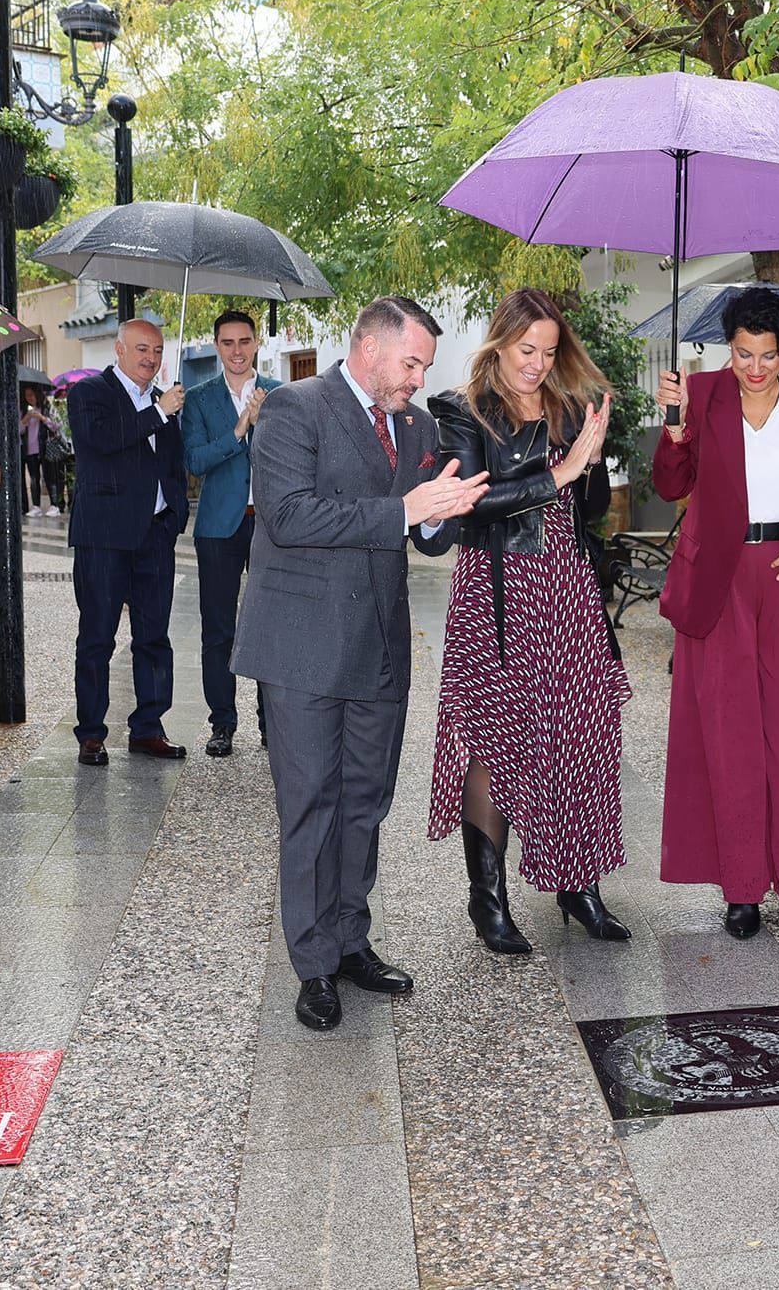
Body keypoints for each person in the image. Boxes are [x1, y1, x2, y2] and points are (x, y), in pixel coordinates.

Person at [234, 296, 488, 1031]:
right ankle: (312, 965)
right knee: (311, 806)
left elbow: (425, 534)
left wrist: (441, 510)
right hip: (302, 647)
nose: (416, 378)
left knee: (365, 803)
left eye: (424, 367)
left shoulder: (414, 424)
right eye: (410, 362)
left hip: (378, 646)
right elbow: (288, 514)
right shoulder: (294, 407)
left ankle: (350, 941)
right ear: (369, 349)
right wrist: (407, 510)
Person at [652, 287, 779, 940]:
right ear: (728, 346)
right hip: (721, 579)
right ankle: (741, 890)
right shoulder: (702, 392)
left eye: (768, 356)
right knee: (729, 736)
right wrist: (673, 429)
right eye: (744, 354)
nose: (755, 368)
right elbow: (670, 485)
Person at [427, 288, 628, 952]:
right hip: (498, 592)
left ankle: (580, 886)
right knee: (495, 740)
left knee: (578, 735)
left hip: (566, 586)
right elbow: (466, 507)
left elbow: (587, 506)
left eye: (547, 351)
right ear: (500, 342)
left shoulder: (569, 408)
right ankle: (487, 903)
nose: (536, 364)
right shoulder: (462, 410)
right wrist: (560, 472)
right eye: (525, 350)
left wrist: (588, 467)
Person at [67, 319, 190, 766]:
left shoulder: (165, 402)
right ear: (118, 350)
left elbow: (173, 463)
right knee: (98, 637)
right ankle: (92, 734)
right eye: (141, 349)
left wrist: (175, 513)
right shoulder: (88, 394)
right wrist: (158, 414)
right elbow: (101, 442)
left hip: (154, 535)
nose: (150, 359)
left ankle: (148, 728)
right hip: (103, 537)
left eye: (157, 350)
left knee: (154, 638)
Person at [182, 310, 282, 758]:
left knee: (270, 625)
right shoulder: (200, 399)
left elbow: (293, 459)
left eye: (245, 341)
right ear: (217, 345)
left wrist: (263, 425)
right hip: (219, 525)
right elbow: (196, 461)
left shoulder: (280, 394)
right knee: (218, 628)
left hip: (271, 524)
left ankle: (271, 723)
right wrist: (240, 427)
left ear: (257, 343)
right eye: (228, 343)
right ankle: (222, 722)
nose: (237, 351)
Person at [21, 385, 61, 516]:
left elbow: (56, 426)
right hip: (30, 450)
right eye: (27, 396)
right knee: (33, 478)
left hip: (45, 448)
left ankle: (54, 505)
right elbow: (19, 430)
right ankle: (36, 506)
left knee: (50, 477)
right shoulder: (25, 411)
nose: (29, 398)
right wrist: (25, 419)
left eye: (31, 395)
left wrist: (42, 418)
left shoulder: (46, 409)